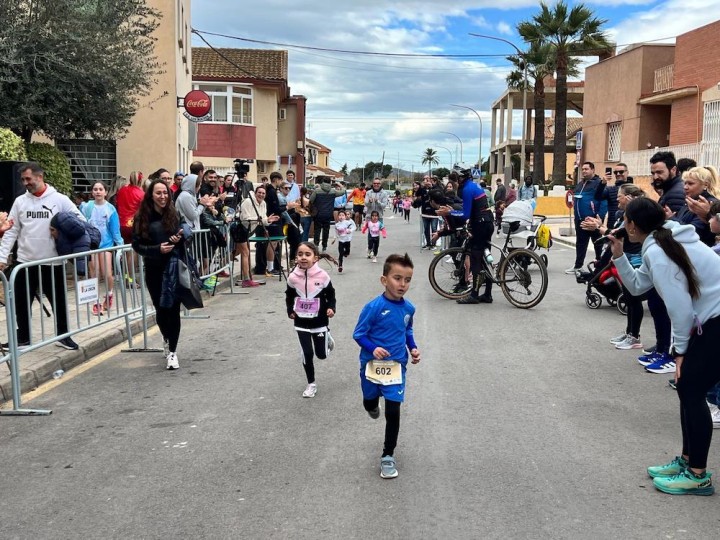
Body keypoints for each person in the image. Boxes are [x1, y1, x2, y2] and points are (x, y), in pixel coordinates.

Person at [609, 197, 720, 495]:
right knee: (688, 388)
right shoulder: (662, 240)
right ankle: (687, 461)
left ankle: (698, 475)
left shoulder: (659, 251)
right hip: (710, 319)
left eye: (625, 220)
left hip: (716, 319)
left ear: (632, 226)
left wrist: (679, 352)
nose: (623, 225)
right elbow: (637, 287)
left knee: (692, 389)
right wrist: (619, 255)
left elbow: (680, 310)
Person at [0, 162, 82, 350]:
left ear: (40, 176)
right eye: (23, 180)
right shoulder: (20, 201)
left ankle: (64, 336)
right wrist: (2, 257)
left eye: (28, 179)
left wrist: (61, 232)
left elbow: (79, 222)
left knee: (58, 302)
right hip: (25, 262)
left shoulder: (60, 199)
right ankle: (23, 339)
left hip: (52, 262)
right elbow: (11, 231)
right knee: (21, 303)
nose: (25, 183)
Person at [353, 253, 420, 479]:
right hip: (371, 365)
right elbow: (358, 334)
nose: (402, 284)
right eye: (397, 278)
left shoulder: (409, 308)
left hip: (396, 365)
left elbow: (407, 330)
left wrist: (413, 348)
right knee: (369, 401)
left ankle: (388, 455)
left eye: (407, 280)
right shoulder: (373, 307)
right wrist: (373, 348)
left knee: (393, 411)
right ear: (384, 280)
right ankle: (371, 405)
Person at [131, 179, 192, 370]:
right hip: (154, 269)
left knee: (173, 309)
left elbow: (186, 232)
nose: (163, 196)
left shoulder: (174, 213)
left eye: (165, 193)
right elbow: (137, 245)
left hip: (174, 267)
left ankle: (173, 351)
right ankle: (166, 337)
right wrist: (157, 249)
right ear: (151, 195)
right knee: (161, 309)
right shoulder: (142, 217)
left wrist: (179, 238)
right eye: (158, 193)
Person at [581, 184, 647, 350]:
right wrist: (600, 226)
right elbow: (615, 232)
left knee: (633, 298)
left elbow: (619, 234)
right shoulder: (623, 215)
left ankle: (634, 336)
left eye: (619, 196)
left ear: (629, 198)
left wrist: (599, 228)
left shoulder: (637, 215)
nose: (616, 199)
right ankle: (630, 333)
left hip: (635, 258)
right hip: (626, 257)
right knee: (628, 297)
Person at [285, 241, 337, 398]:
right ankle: (311, 384)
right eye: (300, 254)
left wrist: (331, 308)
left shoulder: (323, 276)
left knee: (321, 355)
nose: (303, 257)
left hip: (319, 321)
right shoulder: (293, 277)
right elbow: (289, 296)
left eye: (307, 254)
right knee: (307, 353)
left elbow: (331, 294)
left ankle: (327, 338)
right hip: (301, 322)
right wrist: (290, 310)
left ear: (315, 258)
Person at [438, 164, 494, 304]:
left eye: (455, 177)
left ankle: (474, 295)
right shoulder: (474, 186)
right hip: (487, 222)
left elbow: (465, 215)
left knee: (476, 260)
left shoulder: (467, 189)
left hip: (480, 224)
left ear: (460, 177)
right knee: (485, 260)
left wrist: (450, 212)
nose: (453, 181)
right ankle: (487, 294)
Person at [82, 181, 124, 315]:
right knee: (94, 273)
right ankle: (95, 302)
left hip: (106, 245)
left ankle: (109, 294)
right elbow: (81, 224)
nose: (98, 191)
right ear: (92, 192)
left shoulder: (111, 209)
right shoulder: (86, 207)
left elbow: (115, 230)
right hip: (91, 245)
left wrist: (120, 245)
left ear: (105, 192)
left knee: (107, 273)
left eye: (101, 189)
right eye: (95, 189)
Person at [565, 162, 607, 274]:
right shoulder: (580, 184)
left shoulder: (599, 183)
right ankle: (578, 266)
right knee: (580, 244)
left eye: (586, 169)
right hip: (580, 220)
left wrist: (599, 217)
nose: (584, 171)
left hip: (593, 220)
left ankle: (601, 265)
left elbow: (603, 201)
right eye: (583, 169)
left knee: (598, 243)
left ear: (593, 170)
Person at [234, 185, 279, 287]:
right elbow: (245, 218)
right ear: (255, 193)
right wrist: (261, 219)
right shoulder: (248, 202)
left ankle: (222, 263)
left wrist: (268, 220)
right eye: (259, 193)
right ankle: (246, 279)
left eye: (263, 193)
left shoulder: (263, 203)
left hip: (249, 230)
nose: (261, 195)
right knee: (246, 253)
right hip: (240, 228)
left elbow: (263, 220)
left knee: (237, 252)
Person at [310, 176, 341, 252]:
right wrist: (340, 185)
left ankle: (316, 245)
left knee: (317, 230)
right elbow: (343, 192)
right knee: (326, 230)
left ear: (322, 182)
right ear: (330, 182)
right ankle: (324, 246)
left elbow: (311, 200)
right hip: (328, 214)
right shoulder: (333, 191)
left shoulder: (317, 191)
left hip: (318, 213)